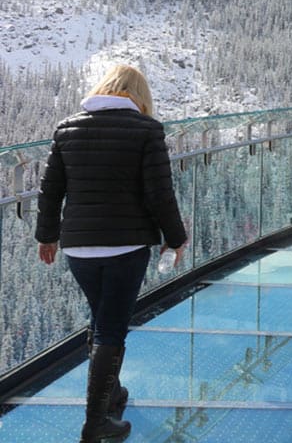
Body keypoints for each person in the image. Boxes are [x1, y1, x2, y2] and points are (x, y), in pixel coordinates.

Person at [35, 64, 188, 443]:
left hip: (78, 248)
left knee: (101, 318)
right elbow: (159, 193)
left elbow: (51, 190)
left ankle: (113, 394)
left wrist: (47, 236)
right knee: (111, 327)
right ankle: (95, 421)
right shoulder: (147, 130)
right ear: (140, 95)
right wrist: (176, 237)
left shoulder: (68, 127)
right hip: (126, 245)